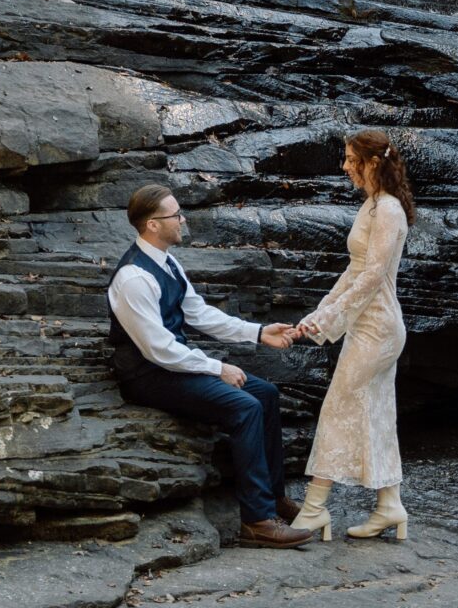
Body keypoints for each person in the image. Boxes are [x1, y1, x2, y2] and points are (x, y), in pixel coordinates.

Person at [107, 183, 312, 549]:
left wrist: (258, 332)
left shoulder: (168, 262)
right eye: (176, 215)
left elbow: (200, 314)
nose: (183, 220)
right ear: (153, 224)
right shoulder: (133, 278)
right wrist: (217, 368)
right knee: (245, 407)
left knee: (265, 394)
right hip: (146, 375)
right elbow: (157, 349)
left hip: (171, 365)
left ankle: (273, 497)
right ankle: (256, 521)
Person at [290, 129, 415, 542]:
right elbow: (353, 271)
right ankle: (389, 505)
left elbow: (373, 277)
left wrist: (329, 319)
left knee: (337, 408)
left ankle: (313, 510)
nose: (344, 167)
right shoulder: (372, 204)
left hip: (378, 328)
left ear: (372, 162)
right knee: (377, 410)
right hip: (367, 324)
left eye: (350, 159)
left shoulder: (389, 210)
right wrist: (321, 312)